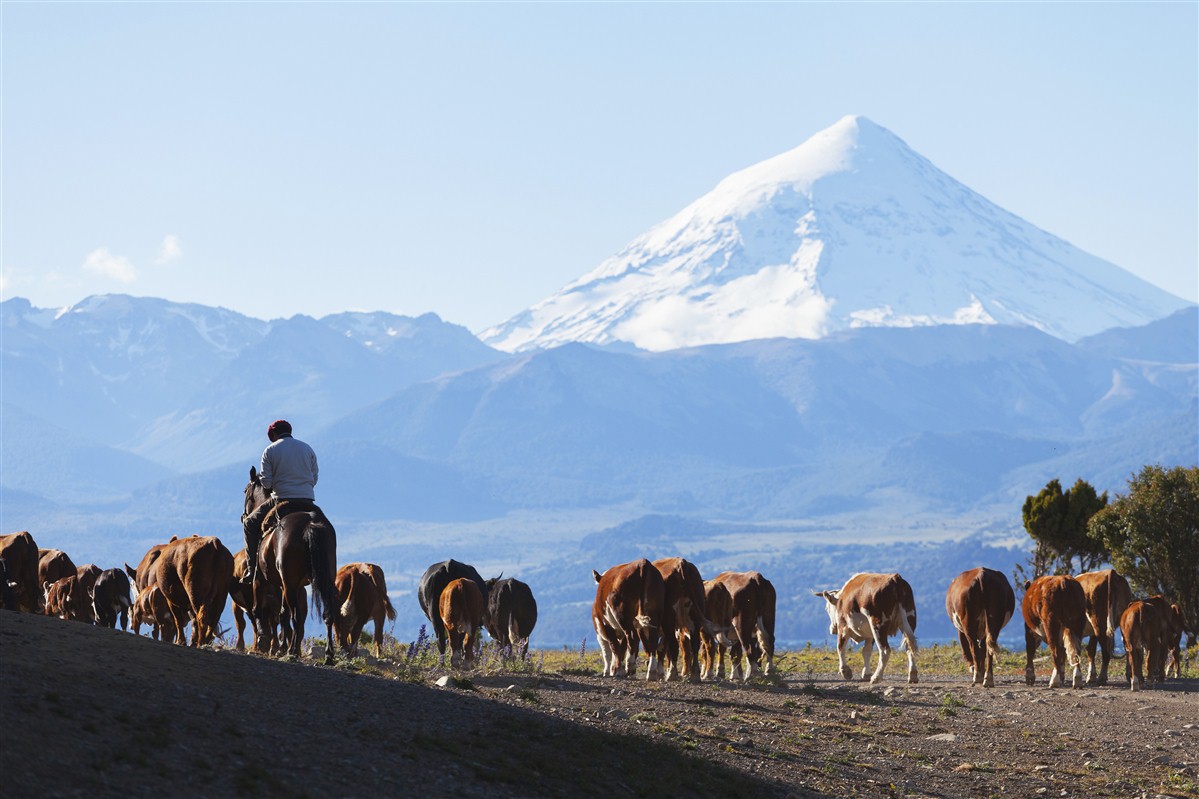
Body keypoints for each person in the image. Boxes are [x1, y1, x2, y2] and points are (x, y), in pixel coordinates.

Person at [242, 419, 322, 588]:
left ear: (274, 435)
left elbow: (267, 484)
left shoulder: (270, 451)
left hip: (281, 499)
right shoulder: (307, 448)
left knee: (249, 523)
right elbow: (314, 478)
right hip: (308, 500)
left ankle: (251, 569)